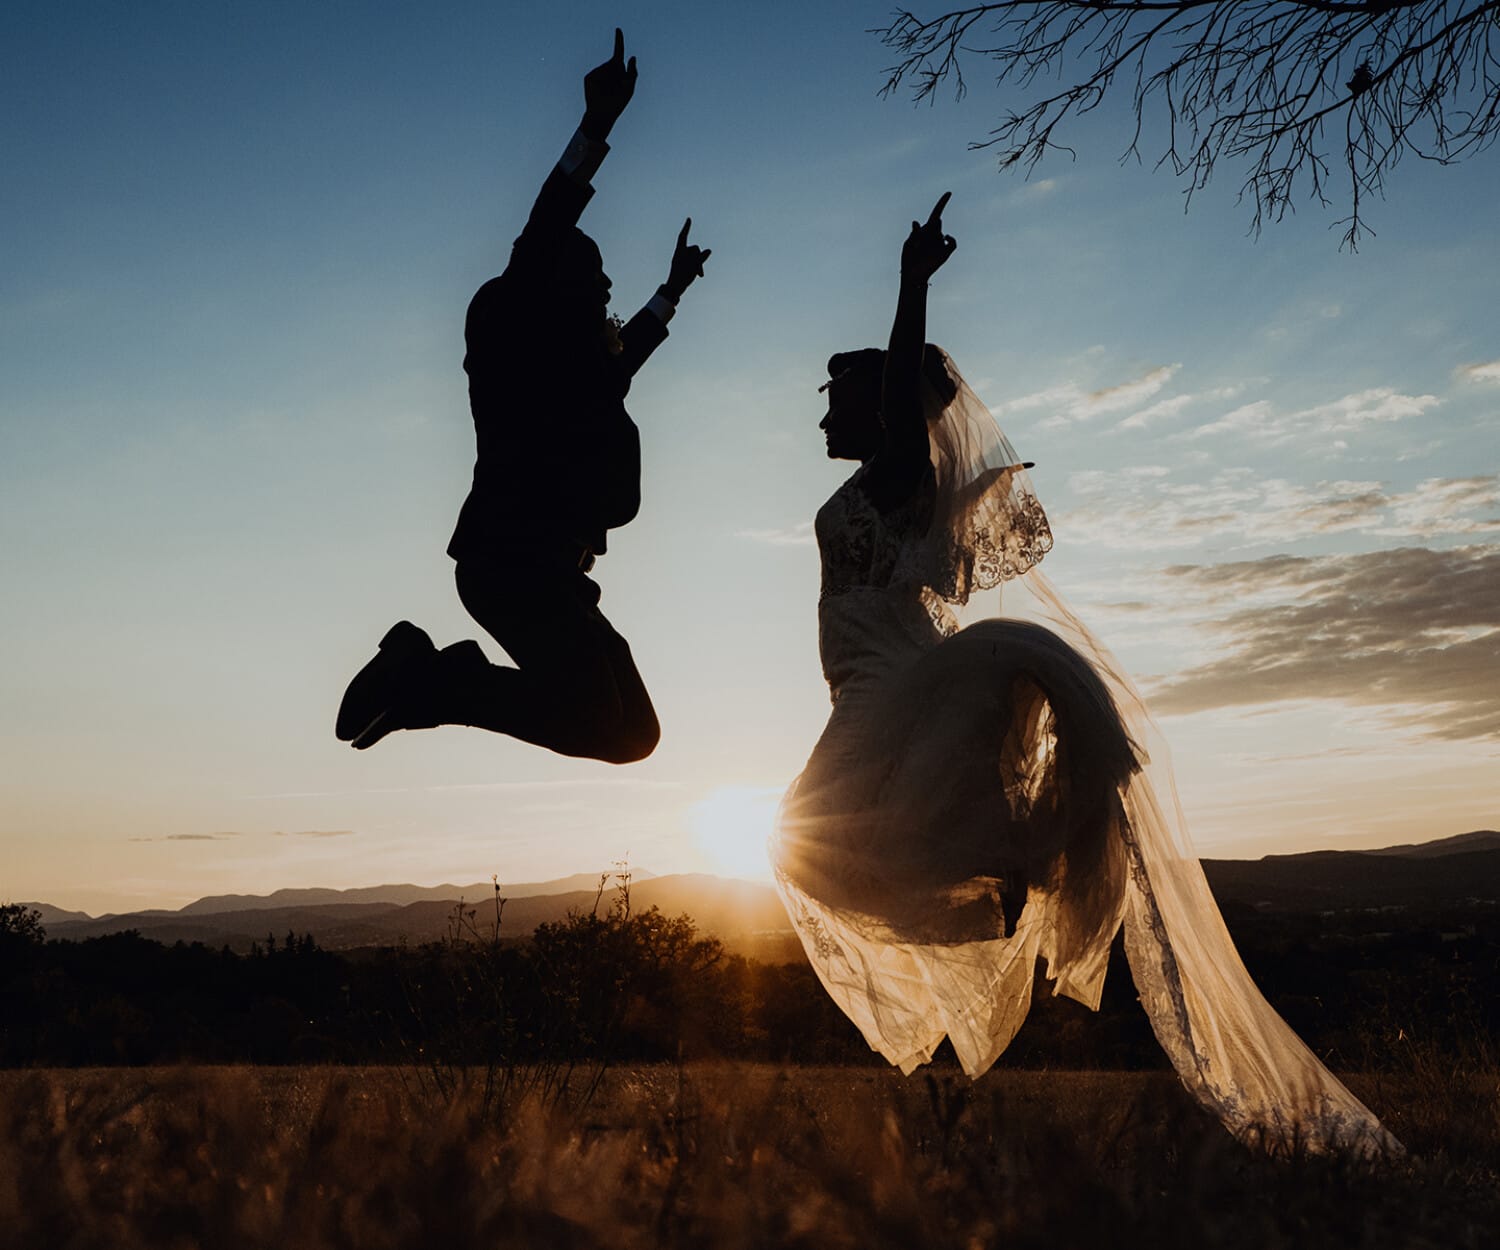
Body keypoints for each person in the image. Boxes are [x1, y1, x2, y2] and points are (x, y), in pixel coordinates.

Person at [770, 194, 1397, 1154]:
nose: (823, 412)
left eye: (837, 398)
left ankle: (1012, 875)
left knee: (807, 845)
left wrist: (909, 284)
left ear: (886, 408)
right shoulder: (870, 487)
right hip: (866, 686)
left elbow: (902, 403)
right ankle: (1002, 881)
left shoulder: (902, 476)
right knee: (828, 850)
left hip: (894, 685)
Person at [336, 30, 709, 763]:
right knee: (600, 722)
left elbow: (627, 351)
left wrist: (671, 292)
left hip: (557, 576)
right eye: (595, 273)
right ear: (554, 281)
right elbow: (545, 227)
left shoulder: (583, 370)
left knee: (636, 734)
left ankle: (443, 681)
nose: (607, 287)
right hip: (511, 566)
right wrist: (596, 125)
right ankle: (437, 682)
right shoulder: (509, 327)